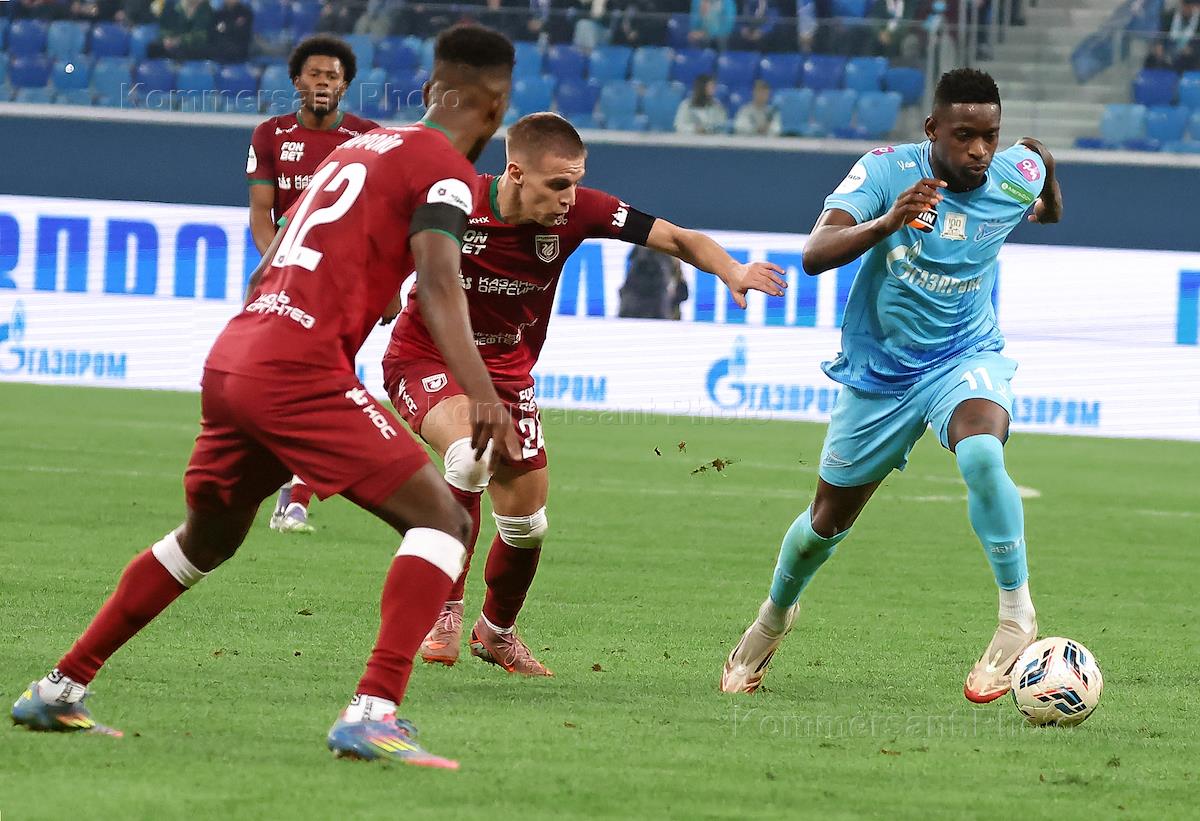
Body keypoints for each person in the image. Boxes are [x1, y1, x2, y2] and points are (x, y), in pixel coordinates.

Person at [11, 23, 519, 769]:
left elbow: (268, 264)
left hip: (238, 355)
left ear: (429, 88)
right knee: (444, 521)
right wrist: (483, 395)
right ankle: (374, 712)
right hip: (297, 369)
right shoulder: (445, 170)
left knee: (205, 540)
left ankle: (58, 688)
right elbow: (441, 283)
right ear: (497, 106)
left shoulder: (353, 148)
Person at [384, 112, 786, 676]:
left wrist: (731, 270)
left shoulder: (580, 211)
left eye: (576, 182)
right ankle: (444, 609)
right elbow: (386, 239)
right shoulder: (455, 201)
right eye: (558, 184)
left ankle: (496, 632)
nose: (570, 198)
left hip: (507, 375)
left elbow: (677, 238)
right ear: (515, 173)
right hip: (427, 359)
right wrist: (379, 287)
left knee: (528, 526)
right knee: (471, 454)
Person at [720, 68, 1064, 705]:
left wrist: (1042, 168)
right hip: (880, 374)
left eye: (990, 137)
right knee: (824, 524)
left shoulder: (1015, 173)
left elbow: (1041, 194)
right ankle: (772, 618)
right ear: (932, 129)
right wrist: (887, 222)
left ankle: (1017, 615)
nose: (979, 151)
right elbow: (815, 252)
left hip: (964, 356)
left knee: (982, 452)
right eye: (963, 136)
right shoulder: (886, 171)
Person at [246, 35, 381, 534]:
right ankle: (282, 490)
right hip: (288, 281)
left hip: (346, 284)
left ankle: (294, 497)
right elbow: (262, 216)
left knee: (326, 382)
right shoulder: (270, 134)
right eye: (315, 74)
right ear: (297, 81)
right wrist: (280, 270)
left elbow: (382, 218)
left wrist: (387, 286)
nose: (324, 83)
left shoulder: (369, 138)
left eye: (333, 76)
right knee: (285, 386)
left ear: (345, 85)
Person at [147, 0, 214, 61]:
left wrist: (179, 40)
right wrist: (167, 39)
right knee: (154, 48)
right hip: (172, 49)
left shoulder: (206, 9)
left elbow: (202, 36)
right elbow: (164, 29)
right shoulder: (170, 7)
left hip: (195, 51)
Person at [1145, 1, 1200, 73]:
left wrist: (1192, 49)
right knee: (1152, 58)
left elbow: (1197, 42)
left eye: (1190, 7)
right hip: (1168, 53)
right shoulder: (1169, 16)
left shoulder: (1198, 21)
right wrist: (1159, 45)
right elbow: (1160, 33)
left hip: (1189, 59)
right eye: (1186, 6)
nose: (1188, 9)